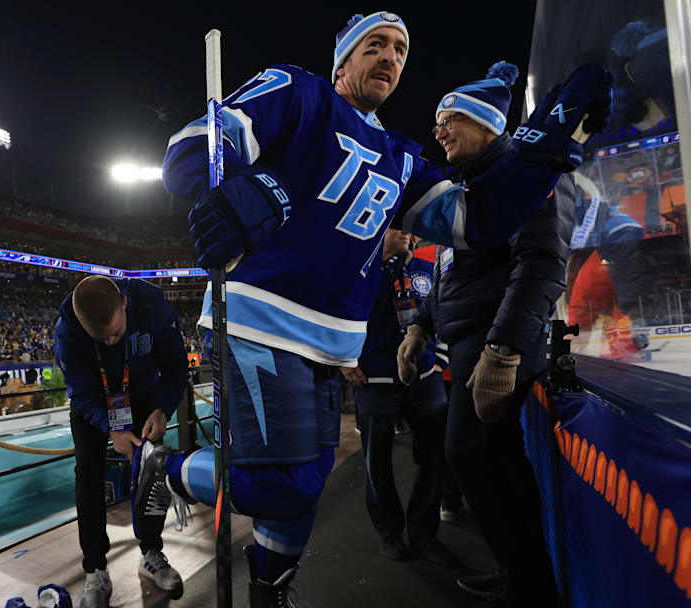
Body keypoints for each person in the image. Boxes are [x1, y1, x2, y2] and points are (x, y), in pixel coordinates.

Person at [155, 11, 611, 605]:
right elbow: (188, 151)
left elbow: (478, 220)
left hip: (332, 343)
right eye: (376, 45)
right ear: (343, 61)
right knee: (284, 487)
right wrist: (247, 189)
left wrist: (543, 157)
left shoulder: (400, 156)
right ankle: (163, 470)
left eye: (400, 50)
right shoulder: (300, 91)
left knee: (307, 486)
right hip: (259, 318)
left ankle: (270, 591)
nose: (390, 58)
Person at [398, 62, 577, 607]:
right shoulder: (470, 188)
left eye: (448, 118)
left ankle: (531, 586)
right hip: (472, 340)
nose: (439, 130)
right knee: (491, 461)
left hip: (497, 340)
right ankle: (519, 572)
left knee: (472, 454)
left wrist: (504, 349)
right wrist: (420, 327)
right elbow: (454, 273)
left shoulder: (528, 172)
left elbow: (542, 263)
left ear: (486, 122)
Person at [54, 275, 189, 607]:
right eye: (101, 338)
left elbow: (176, 366)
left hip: (144, 397)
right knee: (87, 474)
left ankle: (151, 552)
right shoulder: (67, 330)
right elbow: (81, 393)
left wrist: (163, 409)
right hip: (97, 405)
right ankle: (96, 569)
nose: (112, 342)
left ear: (125, 304)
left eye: (117, 333)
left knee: (153, 470)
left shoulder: (151, 304)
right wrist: (109, 428)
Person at [343, 229, 453, 565]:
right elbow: (338, 312)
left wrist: (441, 362)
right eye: (397, 225)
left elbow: (444, 309)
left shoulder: (426, 260)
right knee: (378, 462)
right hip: (374, 381)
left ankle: (424, 533)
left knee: (434, 459)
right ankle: (389, 532)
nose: (406, 232)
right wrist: (344, 361)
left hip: (425, 378)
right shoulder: (357, 267)